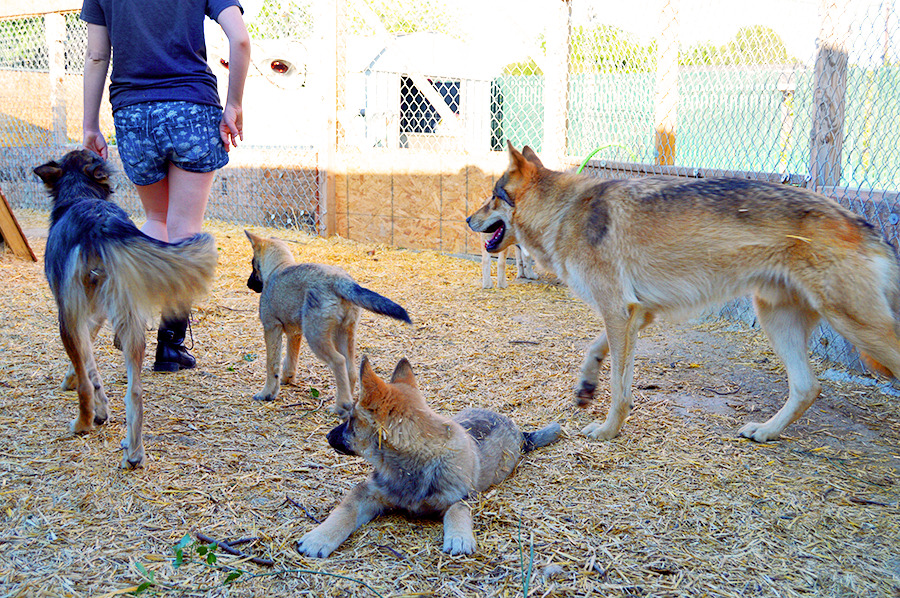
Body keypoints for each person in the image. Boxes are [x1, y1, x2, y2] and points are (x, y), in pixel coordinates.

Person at [80, 0, 251, 371]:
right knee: (184, 230)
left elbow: (96, 55)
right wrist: (234, 104)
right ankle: (170, 348)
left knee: (156, 219)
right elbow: (239, 40)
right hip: (191, 107)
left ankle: (128, 304)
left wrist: (90, 125)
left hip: (132, 112)